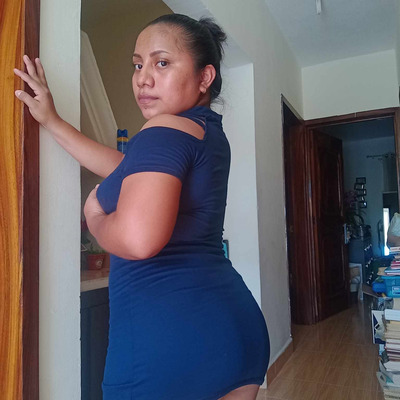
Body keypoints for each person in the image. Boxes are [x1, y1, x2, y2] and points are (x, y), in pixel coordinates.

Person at [14, 13, 270, 400]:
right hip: (232, 328)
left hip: (167, 343)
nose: (143, 79)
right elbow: (124, 168)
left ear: (205, 77)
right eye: (138, 65)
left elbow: (138, 240)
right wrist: (52, 122)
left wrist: (95, 217)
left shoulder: (162, 130)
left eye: (162, 63)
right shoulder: (206, 132)